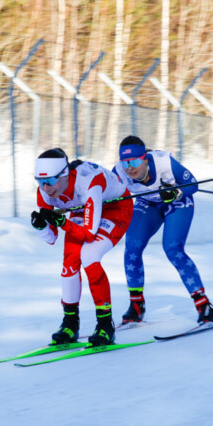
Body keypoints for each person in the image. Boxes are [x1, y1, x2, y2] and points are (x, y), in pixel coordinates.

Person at [31, 148, 133, 347]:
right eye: (40, 182)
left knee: (89, 255)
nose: (46, 188)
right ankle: (70, 324)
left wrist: (62, 222)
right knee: (69, 263)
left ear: (64, 174)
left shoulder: (88, 183)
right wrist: (41, 227)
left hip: (115, 208)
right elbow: (51, 238)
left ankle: (105, 325)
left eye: (50, 181)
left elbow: (88, 233)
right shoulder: (44, 192)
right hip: (82, 207)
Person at [112, 135, 213, 325]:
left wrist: (176, 192)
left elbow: (193, 185)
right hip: (148, 203)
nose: (130, 168)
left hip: (176, 201)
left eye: (135, 161)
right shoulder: (119, 172)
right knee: (132, 247)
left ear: (145, 158)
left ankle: (203, 304)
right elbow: (106, 197)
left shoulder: (163, 161)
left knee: (172, 249)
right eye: (125, 163)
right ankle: (136, 305)